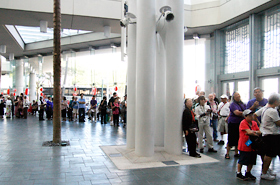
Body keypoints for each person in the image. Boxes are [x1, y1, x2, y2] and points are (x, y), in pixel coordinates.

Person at [256, 94, 280, 180]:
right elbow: (278, 123)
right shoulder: (273, 111)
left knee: (267, 154)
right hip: (271, 135)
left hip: (265, 134)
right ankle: (264, 173)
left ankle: (265, 170)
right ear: (276, 102)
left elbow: (255, 115)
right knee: (269, 155)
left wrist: (260, 125)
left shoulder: (265, 108)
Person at [236, 109, 261, 181]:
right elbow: (249, 132)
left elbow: (259, 132)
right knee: (242, 159)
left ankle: (248, 172)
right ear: (245, 116)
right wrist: (253, 132)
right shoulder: (243, 123)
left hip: (253, 144)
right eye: (250, 116)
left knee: (252, 160)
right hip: (244, 144)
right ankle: (239, 172)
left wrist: (253, 132)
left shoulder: (254, 123)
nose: (252, 117)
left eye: (252, 115)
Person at [225, 92, 246, 159]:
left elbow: (247, 110)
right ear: (234, 97)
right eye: (236, 95)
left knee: (239, 138)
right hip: (233, 123)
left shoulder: (242, 104)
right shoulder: (233, 104)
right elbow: (237, 113)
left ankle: (236, 152)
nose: (238, 96)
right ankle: (227, 153)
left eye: (238, 95)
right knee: (231, 138)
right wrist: (245, 113)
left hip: (240, 123)